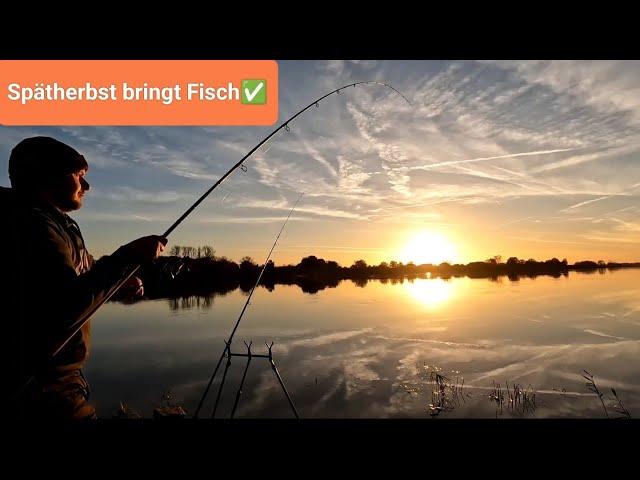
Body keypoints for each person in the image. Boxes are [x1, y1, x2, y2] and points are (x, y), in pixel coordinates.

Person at [3, 136, 167, 420]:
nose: (87, 186)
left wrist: (121, 280)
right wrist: (127, 256)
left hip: (59, 382)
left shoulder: (58, 224)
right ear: (47, 176)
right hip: (40, 388)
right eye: (79, 176)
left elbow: (86, 272)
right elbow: (62, 307)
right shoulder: (31, 225)